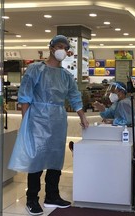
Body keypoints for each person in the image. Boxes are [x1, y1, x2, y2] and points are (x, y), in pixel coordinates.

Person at [8, 35, 89, 216]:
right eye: (59, 46)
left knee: (56, 158)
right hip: (37, 119)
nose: (62, 50)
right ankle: (32, 199)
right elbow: (25, 96)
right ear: (51, 48)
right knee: (36, 159)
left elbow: (75, 97)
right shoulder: (36, 69)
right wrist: (25, 121)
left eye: (65, 47)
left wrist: (82, 116)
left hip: (58, 120)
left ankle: (52, 195)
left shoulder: (66, 75)